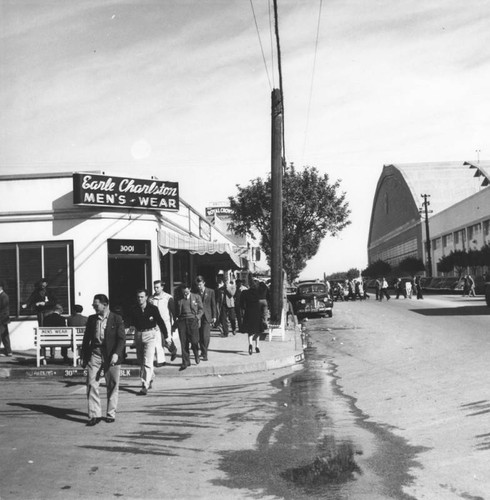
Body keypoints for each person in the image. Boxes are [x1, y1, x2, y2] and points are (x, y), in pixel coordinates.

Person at [81, 294, 126, 426]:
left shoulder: (116, 318)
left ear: (105, 305)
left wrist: (117, 353)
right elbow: (86, 339)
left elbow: (121, 338)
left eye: (96, 305)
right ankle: (95, 414)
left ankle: (110, 413)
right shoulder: (92, 319)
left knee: (112, 384)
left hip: (111, 354)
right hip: (95, 353)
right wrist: (83, 356)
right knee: (91, 383)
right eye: (93, 305)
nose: (94, 307)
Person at [129, 289, 168, 395]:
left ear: (146, 297)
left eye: (142, 297)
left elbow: (160, 321)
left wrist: (166, 335)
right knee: (141, 360)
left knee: (147, 361)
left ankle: (144, 385)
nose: (140, 299)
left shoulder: (153, 309)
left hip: (150, 335)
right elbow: (131, 323)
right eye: (138, 297)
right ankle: (150, 377)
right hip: (138, 335)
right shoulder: (134, 309)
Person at [174, 283, 203, 371]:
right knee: (184, 342)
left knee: (194, 341)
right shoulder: (179, 299)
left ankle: (196, 354)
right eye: (183, 289)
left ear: (189, 289)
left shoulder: (196, 297)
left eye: (186, 289)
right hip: (182, 321)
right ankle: (185, 362)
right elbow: (176, 311)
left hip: (192, 320)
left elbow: (201, 309)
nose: (185, 291)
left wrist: (197, 317)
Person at [150, 280, 177, 365]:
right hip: (156, 323)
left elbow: (173, 312)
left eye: (158, 287)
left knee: (167, 340)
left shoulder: (168, 298)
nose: (156, 289)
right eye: (154, 287)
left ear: (162, 287)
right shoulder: (151, 298)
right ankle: (161, 361)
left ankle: (173, 350)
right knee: (157, 342)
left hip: (165, 322)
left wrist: (175, 323)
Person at [195, 275, 217, 361]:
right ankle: (203, 352)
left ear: (204, 283)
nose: (199, 286)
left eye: (200, 284)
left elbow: (213, 304)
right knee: (200, 336)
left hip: (207, 316)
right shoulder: (195, 293)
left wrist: (214, 316)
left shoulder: (210, 291)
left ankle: (205, 353)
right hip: (199, 317)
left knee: (205, 336)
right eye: (198, 285)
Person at [240, 275, 262, 355]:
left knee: (250, 330)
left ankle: (250, 344)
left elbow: (241, 304)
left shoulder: (245, 293)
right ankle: (257, 346)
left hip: (249, 312)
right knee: (258, 330)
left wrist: (244, 309)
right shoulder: (258, 292)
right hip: (257, 312)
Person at [0, 280, 12, 357]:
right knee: (5, 335)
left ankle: (9, 351)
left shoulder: (4, 296)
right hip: (3, 318)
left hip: (2, 318)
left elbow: (3, 307)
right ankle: (8, 351)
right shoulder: (3, 296)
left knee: (2, 334)